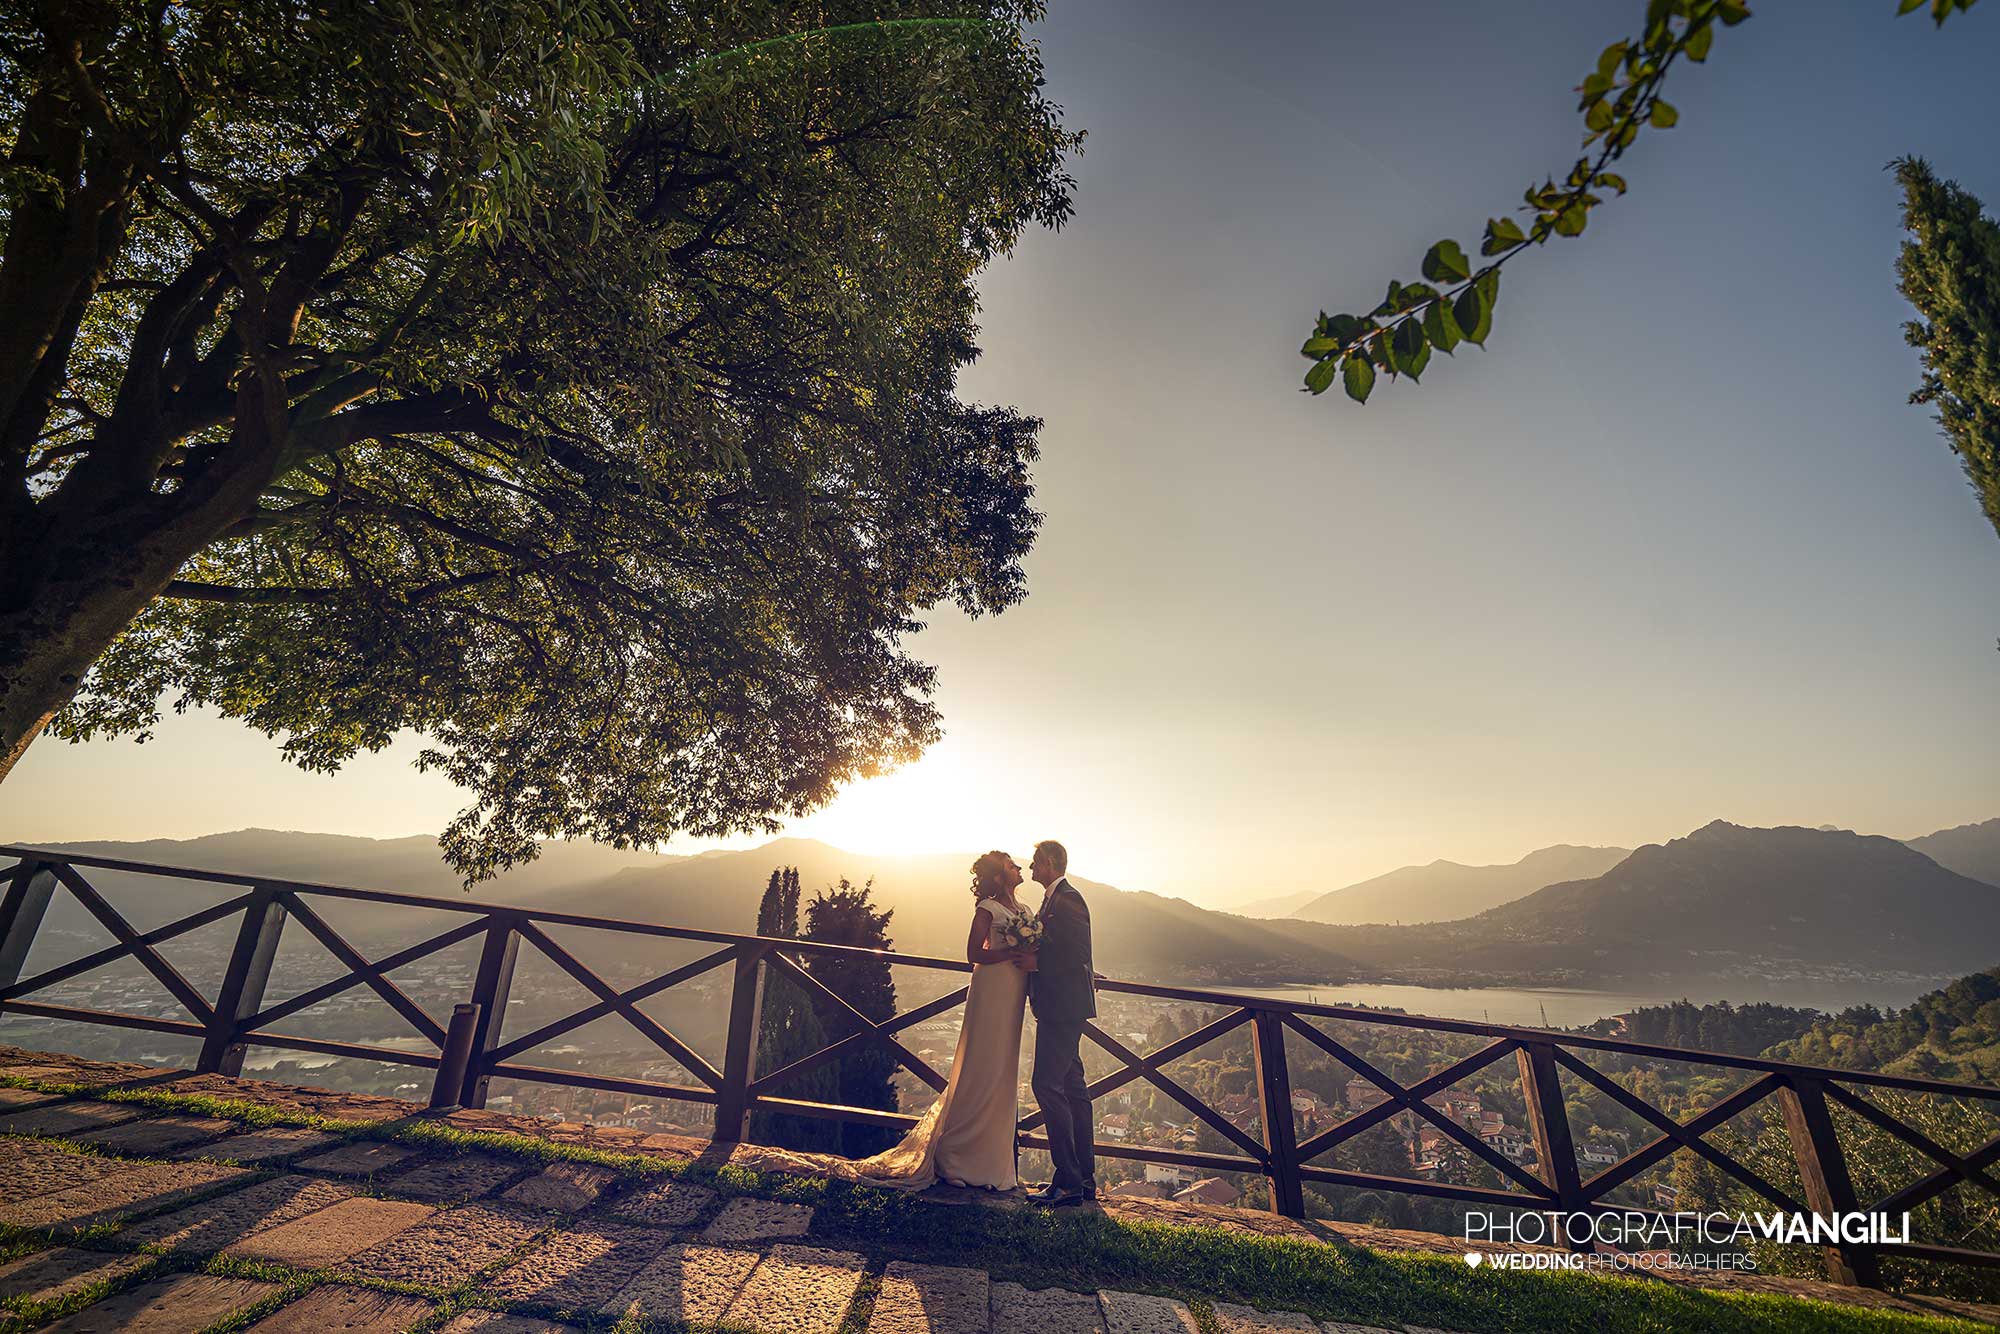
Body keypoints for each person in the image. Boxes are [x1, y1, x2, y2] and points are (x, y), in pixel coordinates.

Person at [825, 850, 1034, 1191]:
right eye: (1012, 865)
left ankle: (992, 1165)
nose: (1019, 867)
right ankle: (955, 1158)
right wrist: (1012, 952)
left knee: (1003, 1070)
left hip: (1013, 994)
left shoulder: (1025, 911)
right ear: (999, 876)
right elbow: (973, 954)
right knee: (979, 1067)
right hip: (991, 990)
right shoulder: (987, 910)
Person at [1025, 838, 1096, 1206]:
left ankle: (1069, 1181)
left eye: (1035, 863)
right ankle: (1082, 1179)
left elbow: (1078, 952)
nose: (1032, 869)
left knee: (1045, 1086)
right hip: (1061, 1007)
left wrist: (1036, 964)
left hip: (1062, 1009)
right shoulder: (1054, 898)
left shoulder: (1068, 898)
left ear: (1050, 863)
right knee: (1073, 1090)